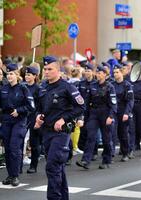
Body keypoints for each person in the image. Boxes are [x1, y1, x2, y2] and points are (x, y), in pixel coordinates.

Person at [34, 56, 85, 200]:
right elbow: (39, 108)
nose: (47, 72)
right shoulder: (43, 87)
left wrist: (63, 119)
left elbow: (81, 107)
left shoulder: (68, 87)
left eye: (50, 69)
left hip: (61, 133)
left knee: (52, 166)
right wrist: (38, 116)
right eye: (45, 69)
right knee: (58, 169)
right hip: (47, 132)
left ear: (58, 70)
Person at [76, 65, 117, 169]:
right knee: (91, 136)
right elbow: (86, 102)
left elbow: (113, 103)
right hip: (94, 113)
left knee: (106, 138)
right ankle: (86, 160)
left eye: (100, 73)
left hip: (106, 113)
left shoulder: (110, 87)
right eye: (97, 73)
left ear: (105, 75)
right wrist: (83, 116)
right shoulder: (93, 86)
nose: (97, 75)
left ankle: (106, 160)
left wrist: (111, 116)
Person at [1, 63, 35, 186]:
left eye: (11, 74)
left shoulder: (23, 88)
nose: (9, 76)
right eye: (7, 73)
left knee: (15, 148)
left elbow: (31, 107)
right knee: (8, 150)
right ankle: (10, 175)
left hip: (19, 122)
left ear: (16, 75)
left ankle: (15, 175)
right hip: (6, 121)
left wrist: (19, 111)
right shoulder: (3, 88)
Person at [112, 64, 134, 162]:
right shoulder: (111, 84)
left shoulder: (127, 85)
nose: (115, 74)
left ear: (122, 73)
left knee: (123, 133)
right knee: (112, 132)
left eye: (117, 72)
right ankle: (109, 153)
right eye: (114, 72)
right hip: (113, 110)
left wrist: (126, 113)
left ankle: (126, 152)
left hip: (123, 110)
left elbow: (130, 100)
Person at [25, 66, 41, 174]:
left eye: (29, 75)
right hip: (23, 116)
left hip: (34, 116)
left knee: (34, 142)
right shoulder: (22, 87)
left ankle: (33, 165)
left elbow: (40, 105)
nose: (26, 77)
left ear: (35, 76)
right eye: (26, 75)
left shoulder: (38, 89)